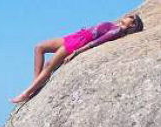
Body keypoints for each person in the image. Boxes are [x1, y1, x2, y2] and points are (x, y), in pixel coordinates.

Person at [11, 14, 144, 104]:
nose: (127, 16)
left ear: (132, 25)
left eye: (131, 17)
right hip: (76, 36)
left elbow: (96, 42)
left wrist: (76, 52)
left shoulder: (117, 31)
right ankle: (35, 83)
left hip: (79, 42)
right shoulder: (115, 26)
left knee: (49, 65)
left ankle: (26, 93)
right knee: (39, 47)